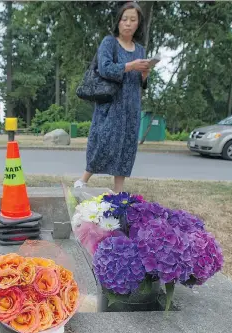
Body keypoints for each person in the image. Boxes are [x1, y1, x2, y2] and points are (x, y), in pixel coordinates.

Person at [74, 2, 151, 193]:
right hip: (111, 102)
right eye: (125, 19)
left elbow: (141, 82)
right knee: (103, 140)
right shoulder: (109, 42)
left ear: (138, 23)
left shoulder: (140, 49)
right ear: (118, 21)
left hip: (132, 104)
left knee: (126, 145)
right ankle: (83, 179)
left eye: (133, 20)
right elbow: (105, 68)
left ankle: (118, 190)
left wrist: (145, 75)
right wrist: (130, 66)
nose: (128, 23)